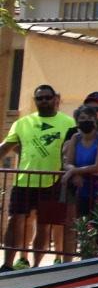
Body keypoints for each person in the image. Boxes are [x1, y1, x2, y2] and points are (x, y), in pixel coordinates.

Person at [0, 85, 75, 268]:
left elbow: (74, 151)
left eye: (47, 97)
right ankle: (7, 265)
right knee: (14, 221)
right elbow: (6, 147)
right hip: (23, 181)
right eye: (39, 98)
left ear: (55, 100)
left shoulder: (69, 123)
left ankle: (36, 267)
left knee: (45, 225)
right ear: (35, 101)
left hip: (54, 182)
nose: (43, 101)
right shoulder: (22, 123)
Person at [60, 104, 98, 259]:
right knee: (85, 230)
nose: (86, 121)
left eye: (90, 118)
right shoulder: (75, 138)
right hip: (83, 190)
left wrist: (73, 171)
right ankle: (86, 264)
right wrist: (74, 172)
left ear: (96, 121)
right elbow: (67, 162)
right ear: (77, 121)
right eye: (82, 118)